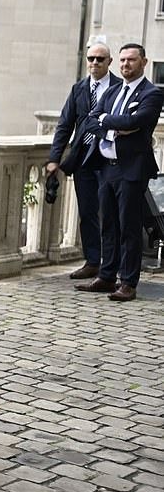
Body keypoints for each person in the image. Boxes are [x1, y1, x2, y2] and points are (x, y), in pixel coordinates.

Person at [75, 44, 163, 301]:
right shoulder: (113, 91)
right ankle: (106, 276)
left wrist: (106, 120)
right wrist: (113, 128)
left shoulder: (152, 94)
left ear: (143, 62)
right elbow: (90, 120)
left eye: (131, 60)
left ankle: (128, 283)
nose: (126, 64)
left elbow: (135, 122)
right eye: (123, 60)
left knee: (129, 228)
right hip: (107, 168)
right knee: (108, 225)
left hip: (131, 170)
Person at [46, 43, 120, 279]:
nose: (95, 62)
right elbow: (65, 125)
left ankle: (111, 266)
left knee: (109, 214)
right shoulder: (79, 88)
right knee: (87, 212)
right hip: (83, 159)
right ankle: (92, 262)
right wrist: (54, 159)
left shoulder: (119, 87)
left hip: (108, 158)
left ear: (109, 62)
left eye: (100, 59)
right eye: (91, 58)